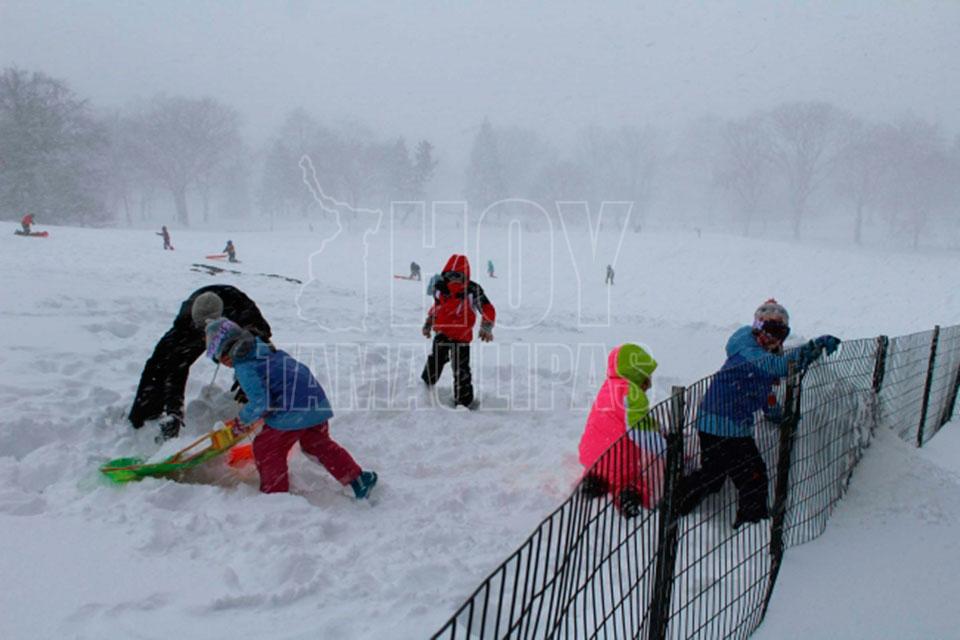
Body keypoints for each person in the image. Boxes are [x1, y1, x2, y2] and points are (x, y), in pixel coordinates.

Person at [678, 299, 841, 528]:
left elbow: (764, 392)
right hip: (726, 426)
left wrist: (776, 415)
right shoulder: (748, 353)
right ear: (757, 326)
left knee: (713, 476)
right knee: (753, 477)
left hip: (717, 423)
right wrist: (813, 348)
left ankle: (675, 504)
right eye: (770, 329)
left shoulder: (760, 355)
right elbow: (780, 368)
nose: (774, 337)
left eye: (782, 332)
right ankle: (751, 523)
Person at [205, 318, 378, 498]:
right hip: (315, 401)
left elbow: (260, 402)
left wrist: (241, 422)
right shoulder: (263, 349)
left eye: (220, 358)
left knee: (267, 447)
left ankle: (275, 495)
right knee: (318, 444)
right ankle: (358, 479)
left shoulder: (244, 367)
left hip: (293, 410)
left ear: (228, 352)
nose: (223, 363)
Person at [128, 286, 272, 441]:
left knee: (255, 356)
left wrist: (252, 379)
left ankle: (265, 402)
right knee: (159, 363)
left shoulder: (244, 316)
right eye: (205, 332)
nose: (207, 337)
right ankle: (143, 416)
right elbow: (176, 368)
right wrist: (174, 412)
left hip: (234, 321)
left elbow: (265, 345)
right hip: (194, 328)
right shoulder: (186, 325)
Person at [579, 343, 665, 517]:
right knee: (630, 480)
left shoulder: (608, 386)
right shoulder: (633, 394)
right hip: (618, 459)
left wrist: (658, 427)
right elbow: (638, 432)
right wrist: (664, 447)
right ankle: (629, 496)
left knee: (602, 470)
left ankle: (594, 481)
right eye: (646, 376)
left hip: (591, 455)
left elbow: (638, 419)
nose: (649, 384)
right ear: (636, 373)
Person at [421, 254, 496, 408]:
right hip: (442, 333)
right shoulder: (440, 289)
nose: (454, 280)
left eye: (458, 276)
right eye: (451, 275)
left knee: (461, 369)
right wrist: (429, 321)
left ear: (465, 276)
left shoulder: (472, 291)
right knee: (436, 360)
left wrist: (486, 325)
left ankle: (464, 401)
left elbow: (487, 308)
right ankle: (424, 385)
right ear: (445, 275)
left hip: (462, 337)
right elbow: (437, 307)